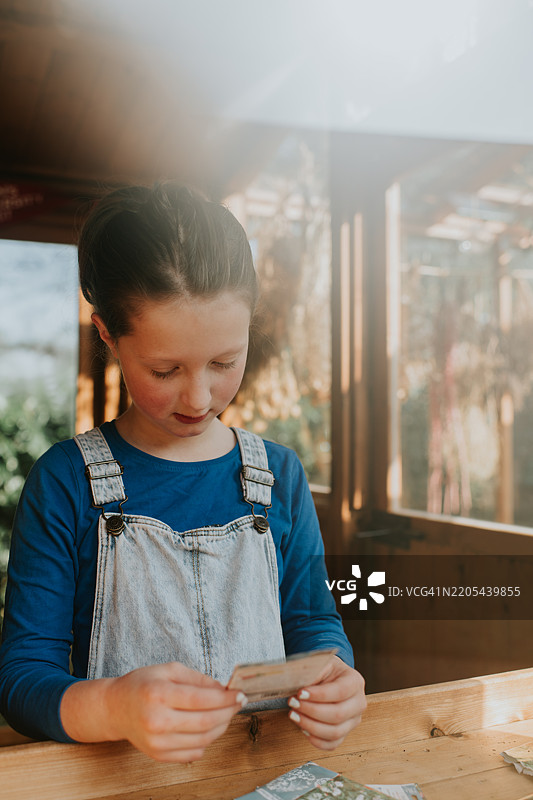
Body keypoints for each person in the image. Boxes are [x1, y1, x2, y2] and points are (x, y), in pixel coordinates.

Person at [0, 183, 366, 763]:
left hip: (263, 773)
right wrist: (113, 707)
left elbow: (313, 622)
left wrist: (337, 678)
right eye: (165, 369)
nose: (199, 396)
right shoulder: (66, 482)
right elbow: (22, 682)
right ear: (108, 337)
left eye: (225, 361)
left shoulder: (278, 475)